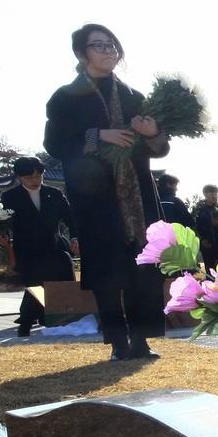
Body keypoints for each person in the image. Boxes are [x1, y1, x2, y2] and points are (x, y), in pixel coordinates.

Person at [44, 23, 169, 362]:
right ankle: (118, 343)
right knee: (108, 272)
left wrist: (153, 132)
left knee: (143, 270)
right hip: (96, 198)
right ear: (82, 54)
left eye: (112, 45)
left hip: (138, 198)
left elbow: (159, 149)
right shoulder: (64, 98)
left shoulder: (134, 96)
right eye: (98, 45)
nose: (108, 51)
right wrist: (99, 136)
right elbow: (54, 143)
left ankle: (142, 341)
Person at [0, 157, 77, 337]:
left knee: (58, 283)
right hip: (27, 250)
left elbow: (71, 219)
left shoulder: (55, 194)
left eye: (38, 176)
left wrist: (74, 237)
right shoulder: (10, 197)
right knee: (34, 285)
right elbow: (1, 223)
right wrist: (1, 238)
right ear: (19, 177)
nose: (35, 181)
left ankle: (53, 318)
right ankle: (25, 323)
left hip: (54, 247)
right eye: (29, 177)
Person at [194, 184, 218, 270]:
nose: (214, 196)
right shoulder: (199, 211)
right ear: (205, 194)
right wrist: (202, 240)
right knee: (209, 269)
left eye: (216, 194)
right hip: (206, 245)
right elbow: (195, 228)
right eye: (212, 194)